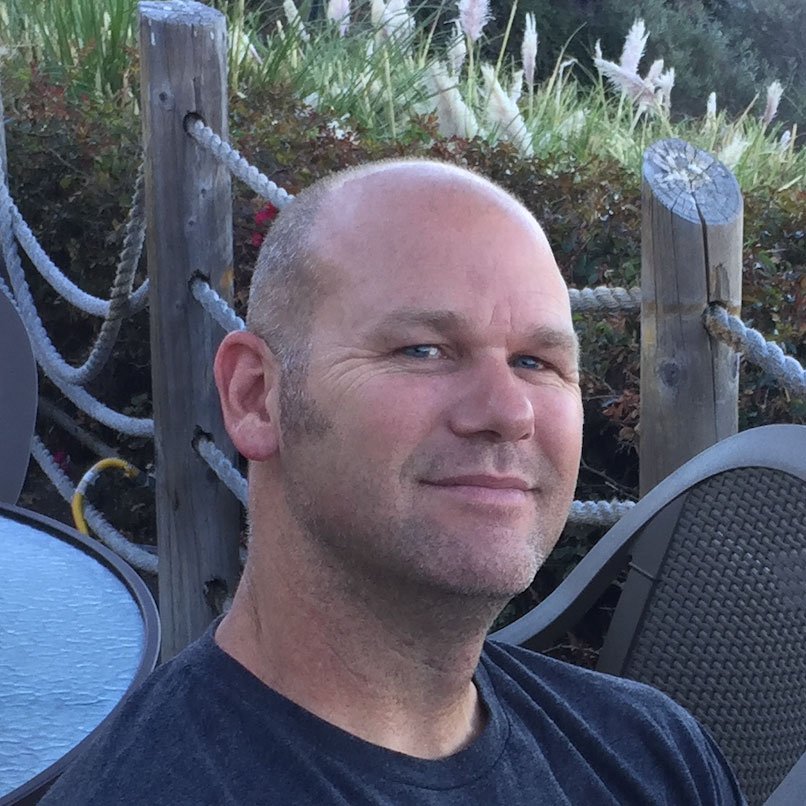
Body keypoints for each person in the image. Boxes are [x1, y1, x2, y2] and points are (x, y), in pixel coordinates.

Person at [40, 160, 745, 804]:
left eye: (536, 362)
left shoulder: (655, 757)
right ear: (257, 396)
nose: (508, 413)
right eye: (423, 349)